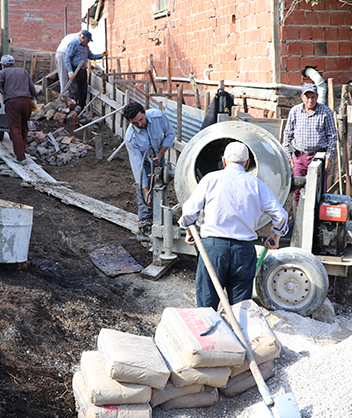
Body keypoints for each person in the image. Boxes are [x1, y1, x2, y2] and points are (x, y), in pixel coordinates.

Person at [179, 142, 290, 310]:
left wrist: (188, 230)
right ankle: (237, 334)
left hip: (213, 250)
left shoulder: (210, 179)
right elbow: (281, 215)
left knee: (206, 309)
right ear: (247, 164)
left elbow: (188, 212)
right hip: (244, 252)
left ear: (224, 161)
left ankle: (210, 335)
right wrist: (276, 236)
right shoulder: (256, 183)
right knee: (240, 310)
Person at [122, 101, 176, 237]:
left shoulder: (158, 117)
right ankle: (145, 224)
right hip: (144, 164)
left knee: (161, 186)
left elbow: (170, 134)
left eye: (141, 120)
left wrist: (160, 154)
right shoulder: (131, 138)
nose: (140, 124)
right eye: (135, 123)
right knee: (145, 196)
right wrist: (146, 191)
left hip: (160, 155)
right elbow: (137, 167)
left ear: (144, 112)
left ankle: (162, 217)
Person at [282, 82, 338, 205]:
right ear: (302, 97)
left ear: (317, 97)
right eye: (307, 97)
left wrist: (328, 157)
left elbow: (333, 137)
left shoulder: (326, 112)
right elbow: (287, 135)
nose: (310, 100)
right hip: (299, 156)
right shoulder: (295, 111)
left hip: (318, 156)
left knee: (318, 190)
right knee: (297, 190)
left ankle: (316, 220)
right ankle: (299, 220)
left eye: (313, 97)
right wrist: (289, 157)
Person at [0, 55, 37, 165]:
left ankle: (20, 157)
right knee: (23, 127)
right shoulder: (24, 72)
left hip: (12, 102)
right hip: (26, 101)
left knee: (15, 128)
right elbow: (32, 87)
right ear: (14, 63)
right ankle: (21, 152)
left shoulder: (2, 73)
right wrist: (34, 99)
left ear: (3, 65)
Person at [64, 30, 105, 112]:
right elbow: (67, 58)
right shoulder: (73, 44)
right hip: (74, 69)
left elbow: (91, 56)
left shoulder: (86, 47)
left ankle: (81, 109)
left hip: (82, 70)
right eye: (88, 40)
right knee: (74, 90)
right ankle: (72, 110)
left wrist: (101, 55)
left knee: (83, 90)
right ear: (83, 38)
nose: (88, 42)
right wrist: (70, 71)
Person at [55, 32, 79, 97]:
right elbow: (69, 55)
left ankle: (66, 97)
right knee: (64, 78)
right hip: (63, 54)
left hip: (60, 54)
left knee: (64, 78)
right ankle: (63, 99)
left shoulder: (71, 36)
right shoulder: (75, 39)